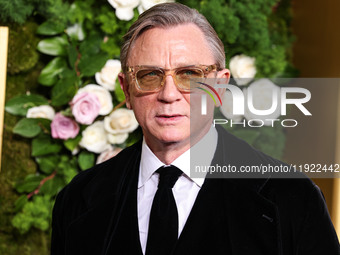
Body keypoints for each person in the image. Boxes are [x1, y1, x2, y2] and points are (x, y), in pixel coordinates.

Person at [51, 3, 340, 255]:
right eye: (149, 75)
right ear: (126, 90)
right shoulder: (77, 199)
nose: (169, 94)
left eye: (189, 74)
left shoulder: (291, 199)